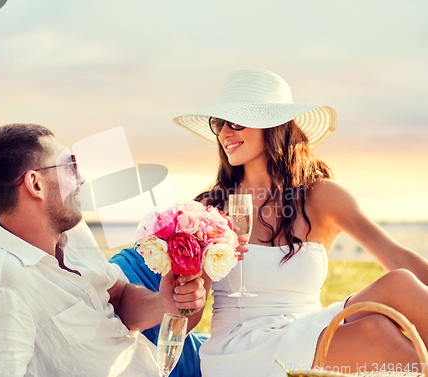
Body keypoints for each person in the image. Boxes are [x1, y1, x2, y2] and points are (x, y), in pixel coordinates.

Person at [172, 69, 428, 377]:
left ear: (275, 126)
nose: (225, 132)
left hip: (307, 327)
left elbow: (398, 256)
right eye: (219, 123)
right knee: (374, 331)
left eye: (236, 121)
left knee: (400, 283)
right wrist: (192, 289)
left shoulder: (322, 197)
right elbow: (187, 319)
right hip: (242, 348)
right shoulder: (209, 209)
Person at [0, 123, 206, 377]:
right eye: (70, 167)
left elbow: (118, 297)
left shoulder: (71, 232)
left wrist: (162, 303)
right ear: (35, 184)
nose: (82, 179)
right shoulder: (1, 287)